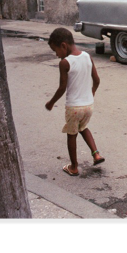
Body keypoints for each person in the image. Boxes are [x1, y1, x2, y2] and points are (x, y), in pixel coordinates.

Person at [45, 27, 104, 176]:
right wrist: (93, 92)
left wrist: (51, 102)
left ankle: (74, 166)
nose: (56, 54)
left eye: (56, 50)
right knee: (83, 127)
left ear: (63, 45)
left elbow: (62, 88)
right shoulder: (87, 56)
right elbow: (96, 80)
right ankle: (96, 154)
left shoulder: (65, 63)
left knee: (72, 134)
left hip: (74, 107)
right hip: (88, 105)